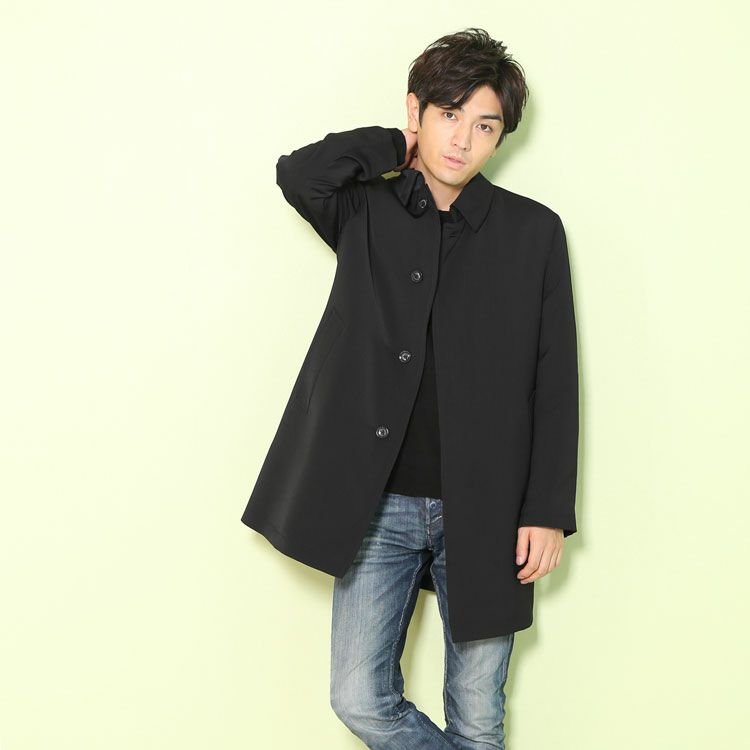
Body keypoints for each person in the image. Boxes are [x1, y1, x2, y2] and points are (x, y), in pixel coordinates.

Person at [242, 27, 579, 750]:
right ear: (416, 110)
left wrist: (547, 511)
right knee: (358, 697)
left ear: (501, 136)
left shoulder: (534, 234)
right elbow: (300, 173)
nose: (462, 140)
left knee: (479, 718)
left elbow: (555, 380)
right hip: (378, 501)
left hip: (489, 507)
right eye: (448, 114)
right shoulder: (367, 210)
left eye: (484, 124)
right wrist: (396, 147)